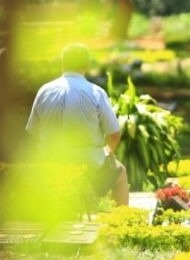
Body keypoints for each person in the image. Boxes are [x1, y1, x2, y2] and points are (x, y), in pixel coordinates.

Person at [25, 43, 129, 206]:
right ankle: (120, 222)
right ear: (87, 65)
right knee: (120, 174)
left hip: (49, 159)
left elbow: (32, 133)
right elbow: (114, 134)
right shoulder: (96, 92)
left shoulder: (44, 90)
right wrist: (109, 153)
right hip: (87, 160)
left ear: (62, 63)